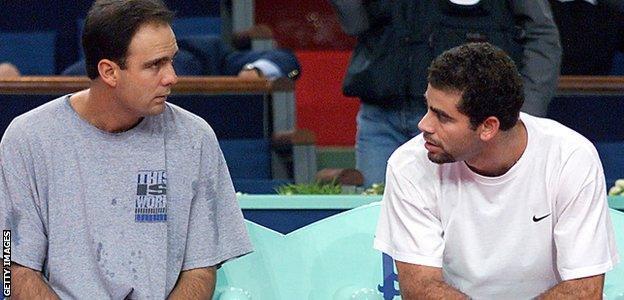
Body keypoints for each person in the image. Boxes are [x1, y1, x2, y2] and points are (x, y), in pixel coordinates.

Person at [1, 0, 253, 298]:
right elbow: (11, 268)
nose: (171, 76)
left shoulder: (194, 138)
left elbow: (201, 268)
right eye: (154, 65)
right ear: (109, 72)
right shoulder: (27, 139)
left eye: (171, 60)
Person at [373, 42, 619, 298]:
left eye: (442, 117)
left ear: (488, 127)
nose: (424, 125)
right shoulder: (409, 164)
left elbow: (584, 291)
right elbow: (420, 290)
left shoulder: (571, 158)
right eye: (427, 108)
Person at [330, 0, 561, 187]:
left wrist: (522, 114)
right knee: (376, 217)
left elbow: (540, 34)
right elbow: (355, 23)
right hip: (382, 116)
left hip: (462, 121)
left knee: (465, 217)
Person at [62, 33, 301, 80]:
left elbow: (284, 60)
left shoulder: (203, 52)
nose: (169, 79)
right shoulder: (82, 77)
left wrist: (255, 71)